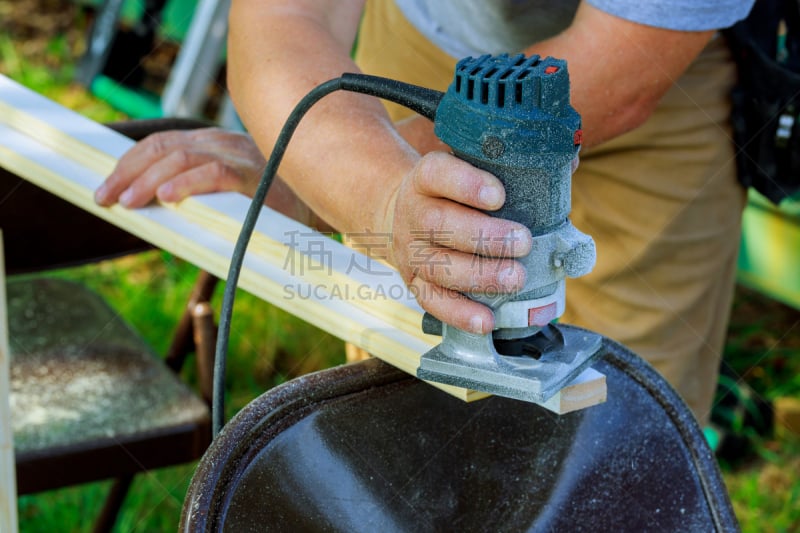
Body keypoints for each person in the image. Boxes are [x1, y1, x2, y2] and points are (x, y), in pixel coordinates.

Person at [95, 0, 755, 424]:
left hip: (656, 77)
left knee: (621, 442)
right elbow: (286, 19)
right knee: (405, 435)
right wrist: (354, 176)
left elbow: (626, 67)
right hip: (429, 32)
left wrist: (347, 172)